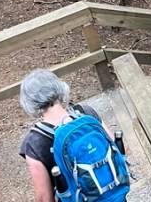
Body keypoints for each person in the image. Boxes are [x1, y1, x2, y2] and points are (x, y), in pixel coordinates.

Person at [19, 69, 116, 202]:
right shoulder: (86, 113)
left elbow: (45, 197)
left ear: (29, 102)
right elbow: (115, 147)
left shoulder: (34, 142)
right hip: (114, 194)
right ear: (59, 87)